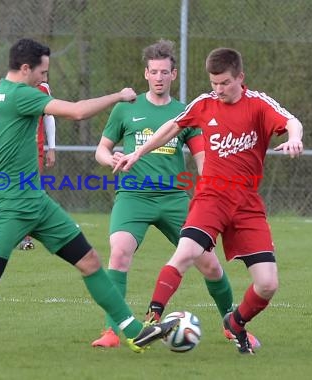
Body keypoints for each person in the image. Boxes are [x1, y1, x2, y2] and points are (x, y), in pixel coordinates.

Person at [0, 38, 179, 358]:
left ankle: (132, 332)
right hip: (10, 207)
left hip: (38, 203)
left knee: (90, 261)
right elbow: (76, 113)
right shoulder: (21, 95)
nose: (45, 79)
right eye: (42, 72)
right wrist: (120, 95)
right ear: (26, 68)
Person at [114, 47, 304, 354]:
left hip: (246, 204)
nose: (218, 90)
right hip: (211, 196)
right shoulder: (204, 103)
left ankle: (235, 323)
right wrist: (138, 152)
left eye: (225, 83)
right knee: (186, 251)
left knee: (267, 284)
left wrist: (294, 137)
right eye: (214, 83)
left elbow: (292, 121)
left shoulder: (257, 104)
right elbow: (171, 128)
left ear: (240, 78)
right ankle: (153, 318)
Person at [91, 40, 259, 349]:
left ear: (174, 74)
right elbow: (101, 149)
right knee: (119, 251)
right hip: (133, 197)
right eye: (153, 72)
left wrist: (215, 186)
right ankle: (113, 331)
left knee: (208, 262)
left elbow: (202, 158)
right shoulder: (125, 109)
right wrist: (110, 158)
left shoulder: (185, 112)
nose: (158, 77)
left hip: (175, 199)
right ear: (146, 74)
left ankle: (231, 324)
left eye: (164, 72)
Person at [18, 81, 56, 251]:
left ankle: (25, 236)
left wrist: (52, 148)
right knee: (12, 191)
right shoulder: (4, 87)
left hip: (35, 150)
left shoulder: (42, 88)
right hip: (12, 151)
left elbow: (49, 116)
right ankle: (9, 232)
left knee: (30, 191)